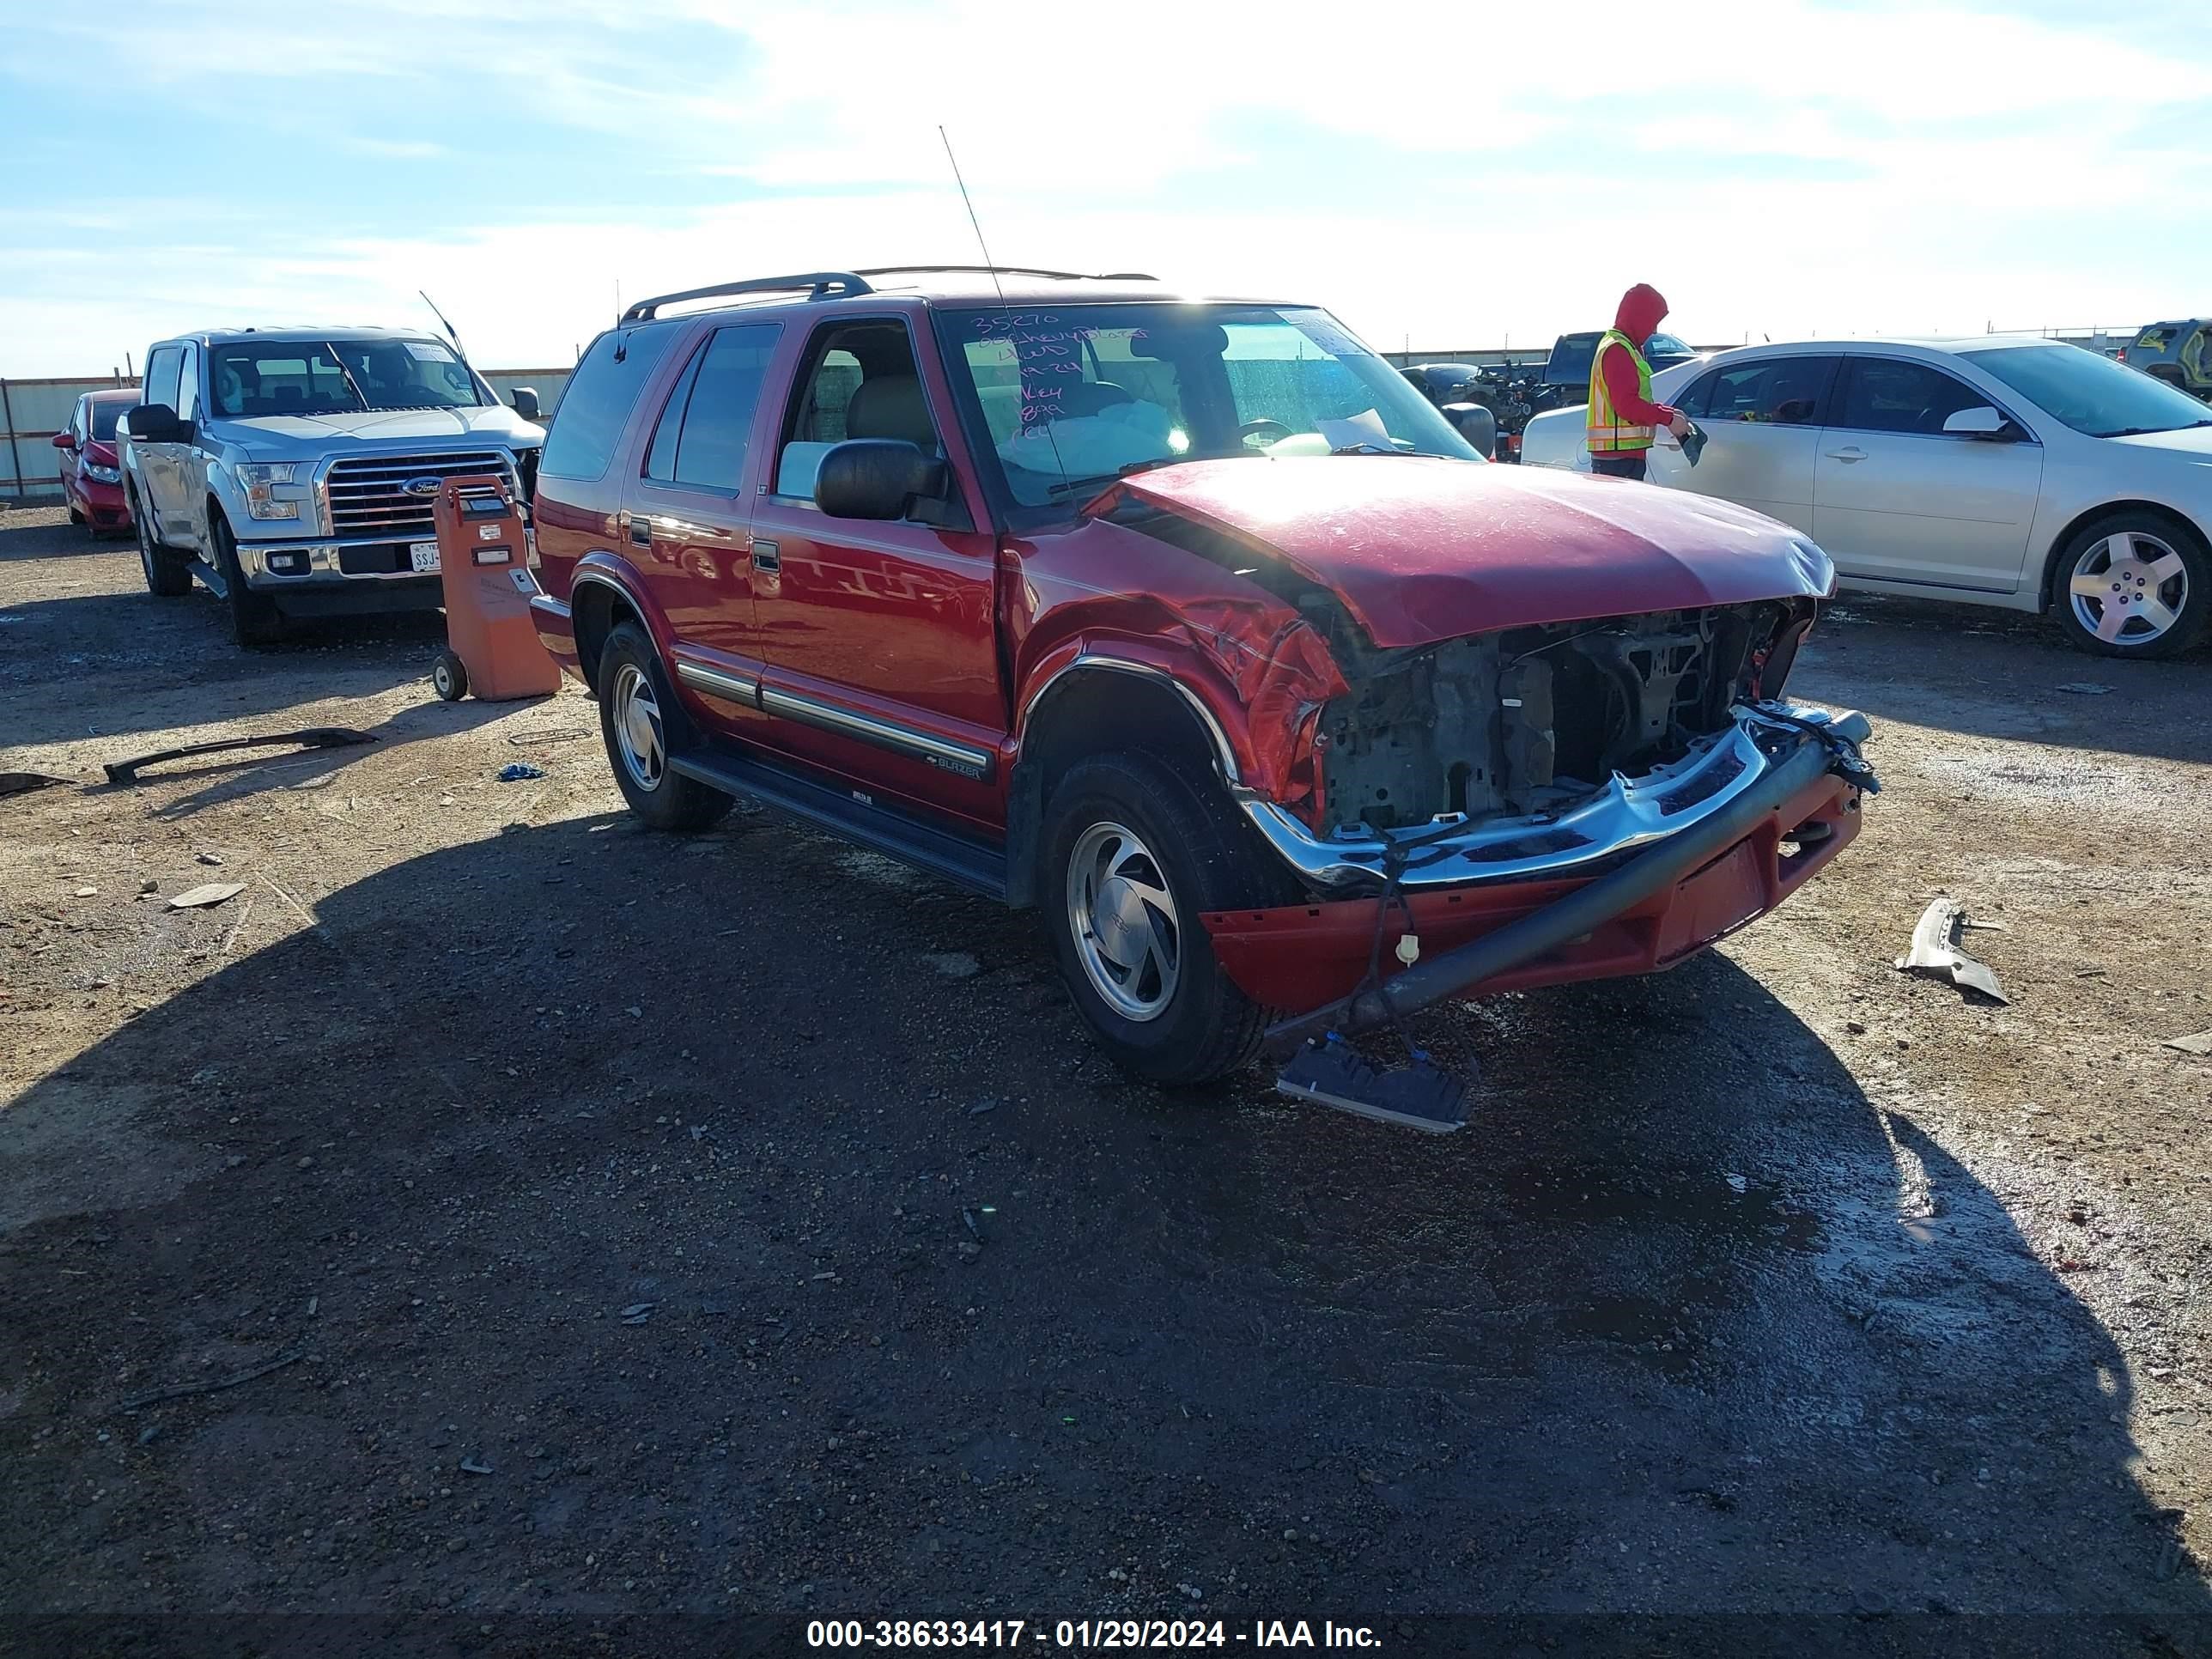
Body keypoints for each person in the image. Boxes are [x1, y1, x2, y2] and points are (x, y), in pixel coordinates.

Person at [1586, 283, 1690, 481]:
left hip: (1620, 456)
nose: (1654, 330)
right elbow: (1627, 406)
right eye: (1652, 321)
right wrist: (1667, 419)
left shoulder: (1623, 346)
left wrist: (1668, 414)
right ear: (1639, 317)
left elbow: (1630, 401)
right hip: (1618, 460)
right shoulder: (1618, 350)